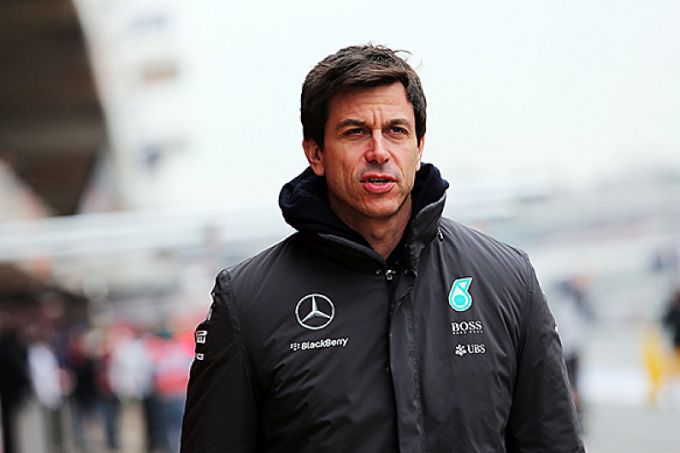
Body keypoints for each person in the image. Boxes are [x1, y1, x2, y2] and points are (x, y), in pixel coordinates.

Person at [181, 44, 584, 452]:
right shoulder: (247, 302)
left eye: (396, 131)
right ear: (316, 153)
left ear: (419, 146)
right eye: (355, 132)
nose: (378, 152)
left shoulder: (508, 280)